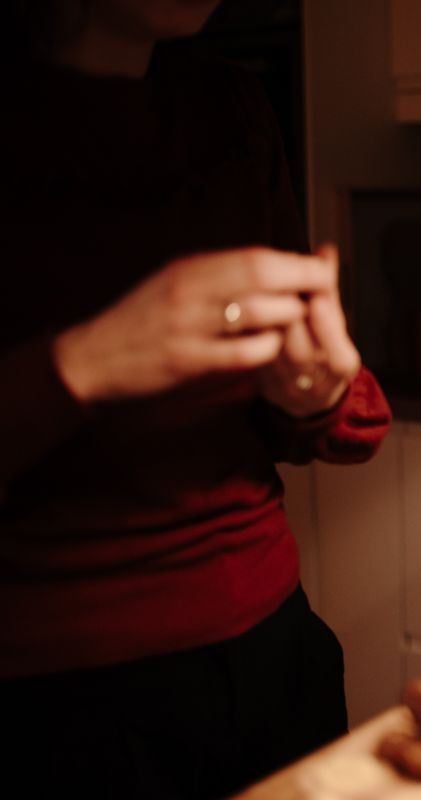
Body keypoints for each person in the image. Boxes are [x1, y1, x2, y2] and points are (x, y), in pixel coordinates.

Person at [0, 1, 392, 796]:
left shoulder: (232, 107)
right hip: (57, 696)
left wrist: (313, 395)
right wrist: (84, 362)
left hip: (275, 643)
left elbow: (314, 412)